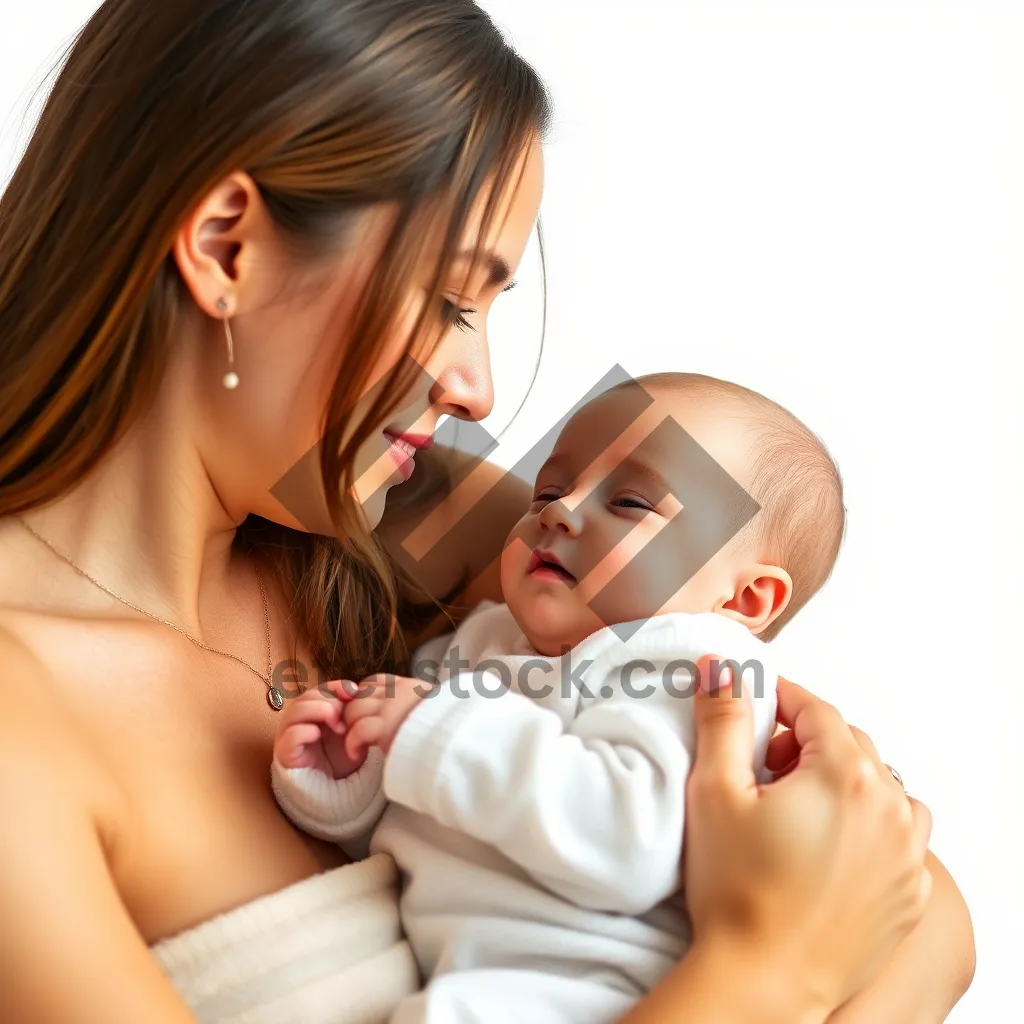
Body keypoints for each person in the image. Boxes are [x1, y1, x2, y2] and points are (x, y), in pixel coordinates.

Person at [0, 2, 973, 1023]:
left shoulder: (427, 515)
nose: (478, 390)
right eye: (455, 301)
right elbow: (828, 925)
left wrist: (797, 947)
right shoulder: (23, 724)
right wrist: (771, 968)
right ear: (225, 245)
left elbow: (918, 904)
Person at [270, 371, 840, 1023]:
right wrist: (352, 773)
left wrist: (428, 732)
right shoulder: (487, 638)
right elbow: (427, 799)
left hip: (603, 988)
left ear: (742, 600)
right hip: (471, 975)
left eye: (629, 502)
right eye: (550, 488)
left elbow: (631, 847)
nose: (559, 511)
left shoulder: (695, 667)